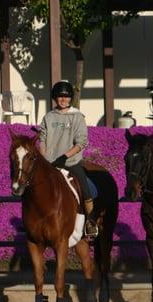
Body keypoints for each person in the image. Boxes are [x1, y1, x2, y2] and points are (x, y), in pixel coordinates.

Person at [39, 80, 98, 238]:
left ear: (71, 98)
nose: (63, 99)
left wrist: (64, 156)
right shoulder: (48, 117)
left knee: (86, 190)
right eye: (60, 96)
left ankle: (90, 222)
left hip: (70, 162)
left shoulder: (77, 117)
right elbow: (42, 140)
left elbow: (82, 142)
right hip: (50, 164)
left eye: (66, 96)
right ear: (55, 98)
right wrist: (44, 159)